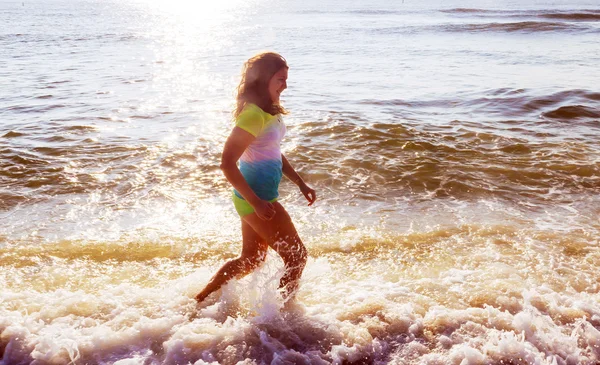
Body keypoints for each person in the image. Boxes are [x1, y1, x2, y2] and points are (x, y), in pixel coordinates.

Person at [195, 52, 316, 305]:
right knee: (297, 257)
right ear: (264, 80)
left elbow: (272, 151)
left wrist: (300, 182)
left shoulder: (270, 112)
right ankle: (282, 316)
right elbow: (227, 163)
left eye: (285, 79)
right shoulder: (252, 115)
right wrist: (257, 203)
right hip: (257, 198)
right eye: (280, 79)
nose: (285, 85)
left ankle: (201, 299)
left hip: (256, 198)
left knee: (251, 259)